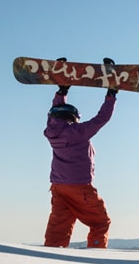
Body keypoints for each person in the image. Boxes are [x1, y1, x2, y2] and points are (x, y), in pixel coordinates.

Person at [43, 73, 118, 249]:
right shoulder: (79, 132)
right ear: (73, 118)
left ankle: (51, 256)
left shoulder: (52, 132)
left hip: (58, 187)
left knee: (59, 225)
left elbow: (55, 113)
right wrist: (111, 95)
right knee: (100, 222)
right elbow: (102, 118)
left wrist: (62, 91)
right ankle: (96, 254)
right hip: (79, 187)